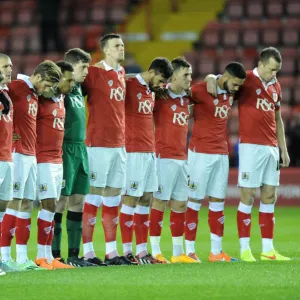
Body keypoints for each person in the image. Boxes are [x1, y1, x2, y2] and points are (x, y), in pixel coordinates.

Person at [206, 47, 290, 262]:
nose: (274, 74)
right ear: (260, 64)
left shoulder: (276, 86)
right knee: (248, 196)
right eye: (272, 70)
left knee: (269, 196)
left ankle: (268, 250)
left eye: (277, 71)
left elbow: (277, 118)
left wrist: (283, 148)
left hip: (271, 147)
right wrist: (210, 77)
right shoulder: (247, 80)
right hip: (251, 146)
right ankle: (245, 249)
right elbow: (223, 80)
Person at [0, 60, 61, 271]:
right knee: (12, 203)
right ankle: (5, 257)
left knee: (26, 204)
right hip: (17, 154)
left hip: (31, 154)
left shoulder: (34, 93)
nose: (47, 90)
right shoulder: (17, 87)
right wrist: (11, 136)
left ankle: (22, 258)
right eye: (47, 85)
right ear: (38, 76)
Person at [185, 62, 246, 262]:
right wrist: (210, 78)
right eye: (235, 85)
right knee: (194, 201)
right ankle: (188, 252)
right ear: (226, 78)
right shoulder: (199, 90)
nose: (237, 89)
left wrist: (212, 76)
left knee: (218, 202)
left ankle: (216, 252)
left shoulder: (230, 91)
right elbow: (180, 105)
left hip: (221, 153)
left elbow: (219, 80)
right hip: (200, 152)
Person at [81, 33, 133, 265]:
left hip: (119, 145)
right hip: (98, 145)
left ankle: (111, 252)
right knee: (93, 196)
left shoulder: (122, 73)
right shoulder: (92, 73)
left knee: (113, 198)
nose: (122, 48)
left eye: (122, 45)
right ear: (106, 50)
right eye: (117, 46)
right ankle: (88, 252)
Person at [118, 57, 173, 264]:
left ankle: (142, 251)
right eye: (160, 80)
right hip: (133, 150)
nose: (161, 86)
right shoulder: (130, 84)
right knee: (130, 198)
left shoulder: (152, 90)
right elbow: (119, 78)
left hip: (149, 150)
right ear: (152, 72)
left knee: (146, 198)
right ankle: (126, 252)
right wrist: (131, 76)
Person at [51, 48, 97, 267]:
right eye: (83, 67)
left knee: (78, 201)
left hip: (81, 148)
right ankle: (54, 255)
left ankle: (74, 256)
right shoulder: (61, 89)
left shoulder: (79, 88)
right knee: (60, 201)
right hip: (65, 148)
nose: (87, 71)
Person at [149, 57, 197, 263]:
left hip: (182, 158)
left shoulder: (188, 98)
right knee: (159, 202)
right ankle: (155, 251)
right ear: (174, 75)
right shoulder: (159, 95)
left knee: (180, 205)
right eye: (186, 75)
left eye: (191, 74)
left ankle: (178, 253)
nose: (190, 78)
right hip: (163, 157)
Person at [35, 61, 76, 270]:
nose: (71, 84)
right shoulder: (40, 98)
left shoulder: (61, 98)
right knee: (48, 205)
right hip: (43, 159)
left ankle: (49, 257)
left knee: (52, 208)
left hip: (57, 160)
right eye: (68, 80)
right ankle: (41, 256)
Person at [0, 54, 14, 275]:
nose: (8, 70)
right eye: (4, 67)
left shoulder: (6, 95)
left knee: (2, 207)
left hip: (7, 157)